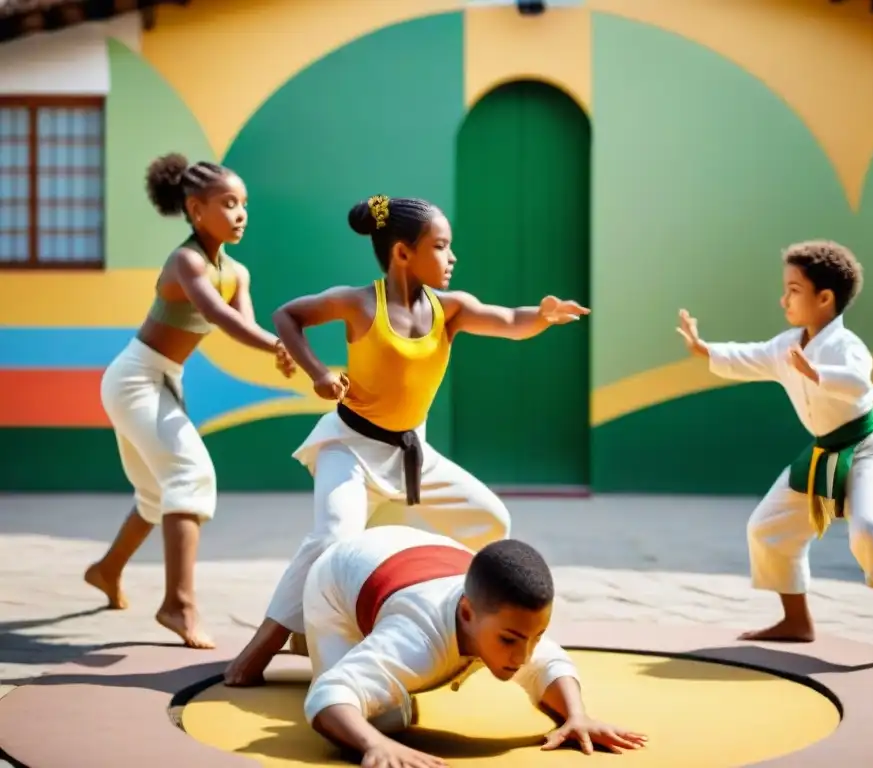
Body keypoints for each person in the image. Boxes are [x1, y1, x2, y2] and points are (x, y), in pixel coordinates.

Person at [224, 194, 589, 685]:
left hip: (413, 454)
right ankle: (262, 647)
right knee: (332, 540)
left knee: (490, 519)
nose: (452, 257)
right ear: (402, 253)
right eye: (440, 247)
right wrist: (317, 374)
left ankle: (461, 625)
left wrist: (540, 316)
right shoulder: (358, 303)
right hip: (350, 447)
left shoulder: (452, 310)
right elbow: (288, 316)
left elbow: (507, 321)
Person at [676, 240, 873, 670]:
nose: (783, 299)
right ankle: (797, 622)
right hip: (823, 452)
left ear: (825, 298)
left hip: (870, 452)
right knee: (767, 526)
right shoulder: (787, 345)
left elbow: (858, 382)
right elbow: (750, 356)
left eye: (793, 289)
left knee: (868, 528)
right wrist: (705, 349)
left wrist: (817, 373)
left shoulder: (846, 346)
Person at [84, 153, 295, 649]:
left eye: (245, 204)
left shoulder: (236, 271)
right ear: (196, 210)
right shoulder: (186, 261)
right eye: (229, 203)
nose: (241, 213)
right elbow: (218, 316)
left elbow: (244, 326)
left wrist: (276, 349)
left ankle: (105, 569)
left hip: (162, 380)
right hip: (135, 377)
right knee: (189, 477)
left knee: (157, 496)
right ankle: (178, 605)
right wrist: (277, 346)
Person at [302, 525, 647, 766]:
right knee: (383, 722)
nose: (523, 655)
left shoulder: (501, 617)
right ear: (466, 612)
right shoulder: (415, 640)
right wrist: (375, 744)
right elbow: (328, 695)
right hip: (338, 575)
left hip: (419, 552)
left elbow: (548, 663)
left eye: (536, 637)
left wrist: (577, 715)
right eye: (509, 640)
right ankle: (303, 635)